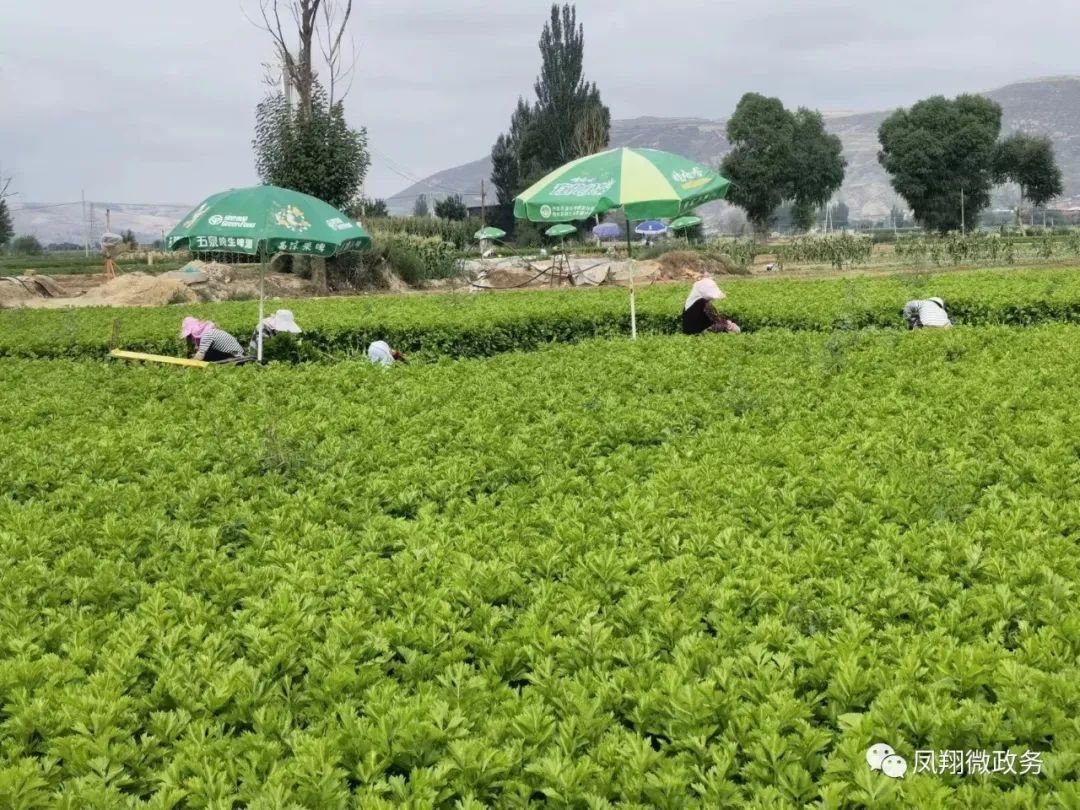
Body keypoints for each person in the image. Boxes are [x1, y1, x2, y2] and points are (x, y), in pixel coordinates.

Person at [180, 317, 246, 362]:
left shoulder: (207, 335)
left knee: (205, 355)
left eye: (190, 335)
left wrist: (187, 366)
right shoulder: (211, 331)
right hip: (236, 356)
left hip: (235, 358)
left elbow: (200, 355)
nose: (190, 338)